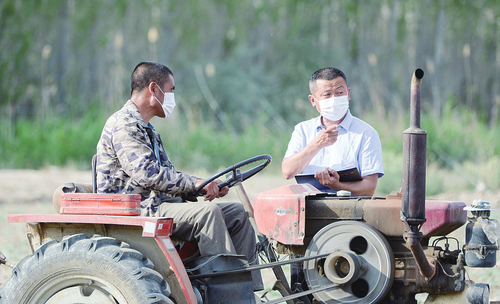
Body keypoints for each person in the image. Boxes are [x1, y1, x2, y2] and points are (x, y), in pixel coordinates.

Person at [95, 61, 262, 290]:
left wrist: (203, 185)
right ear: (154, 89)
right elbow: (148, 175)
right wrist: (196, 183)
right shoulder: (124, 124)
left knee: (236, 214)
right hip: (137, 208)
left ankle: (248, 291)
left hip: (157, 203)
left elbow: (169, 174)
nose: (173, 96)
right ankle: (227, 293)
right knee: (208, 214)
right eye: (171, 90)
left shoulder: (148, 129)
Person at [282, 67, 384, 196]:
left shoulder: (366, 133)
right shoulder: (302, 130)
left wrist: (338, 186)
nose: (334, 98)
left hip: (350, 210)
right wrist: (317, 144)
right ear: (313, 100)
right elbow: (288, 171)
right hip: (308, 208)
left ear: (348, 94)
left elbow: (370, 187)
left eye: (340, 92)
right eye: (327, 94)